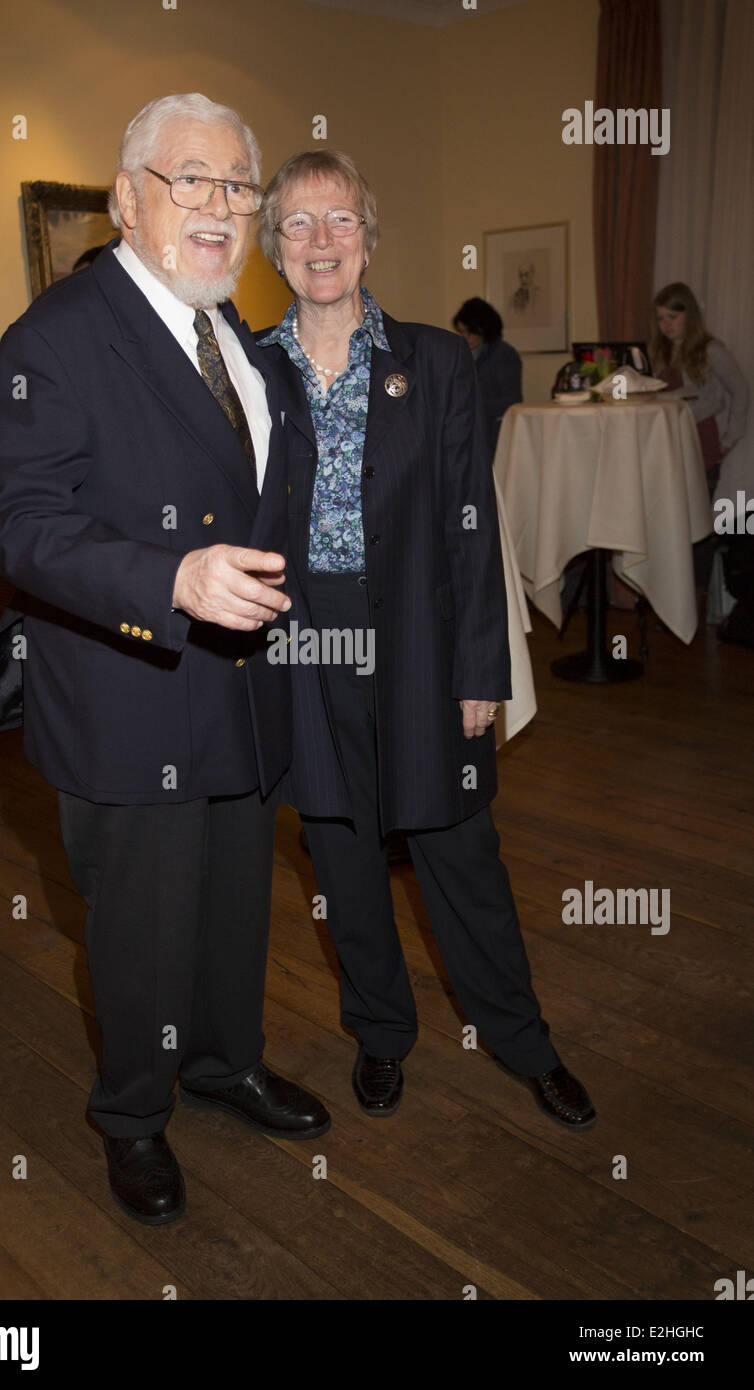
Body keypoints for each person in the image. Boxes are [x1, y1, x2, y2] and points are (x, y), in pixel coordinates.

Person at [0, 93, 330, 1227]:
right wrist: (167, 580)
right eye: (194, 180)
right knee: (139, 926)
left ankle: (224, 1062)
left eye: (239, 185)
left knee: (233, 905)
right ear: (128, 200)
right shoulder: (55, 338)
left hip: (239, 694)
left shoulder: (240, 332)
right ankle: (132, 1117)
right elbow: (20, 526)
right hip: (129, 696)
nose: (222, 207)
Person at [256, 150, 595, 1130]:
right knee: (341, 850)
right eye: (300, 225)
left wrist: (479, 668)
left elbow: (469, 523)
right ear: (273, 246)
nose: (322, 242)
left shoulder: (435, 361)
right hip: (300, 638)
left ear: (368, 235)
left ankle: (521, 1040)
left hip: (412, 632)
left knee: (458, 845)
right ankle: (379, 1032)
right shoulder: (245, 370)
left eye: (340, 221)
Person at [650, 282, 749, 587]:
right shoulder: (665, 352)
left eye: (672, 317)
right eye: (661, 319)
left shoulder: (711, 349)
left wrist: (729, 441)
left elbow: (741, 393)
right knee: (673, 529)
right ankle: (676, 599)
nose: (666, 325)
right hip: (670, 448)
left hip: (701, 447)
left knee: (699, 529)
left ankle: (697, 598)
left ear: (688, 315)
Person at [453, 297, 522, 458]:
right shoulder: (461, 354)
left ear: (483, 328)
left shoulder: (504, 354)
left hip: (494, 434)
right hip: (468, 432)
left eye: (469, 332)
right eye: (461, 332)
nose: (465, 337)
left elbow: (513, 400)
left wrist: (471, 402)